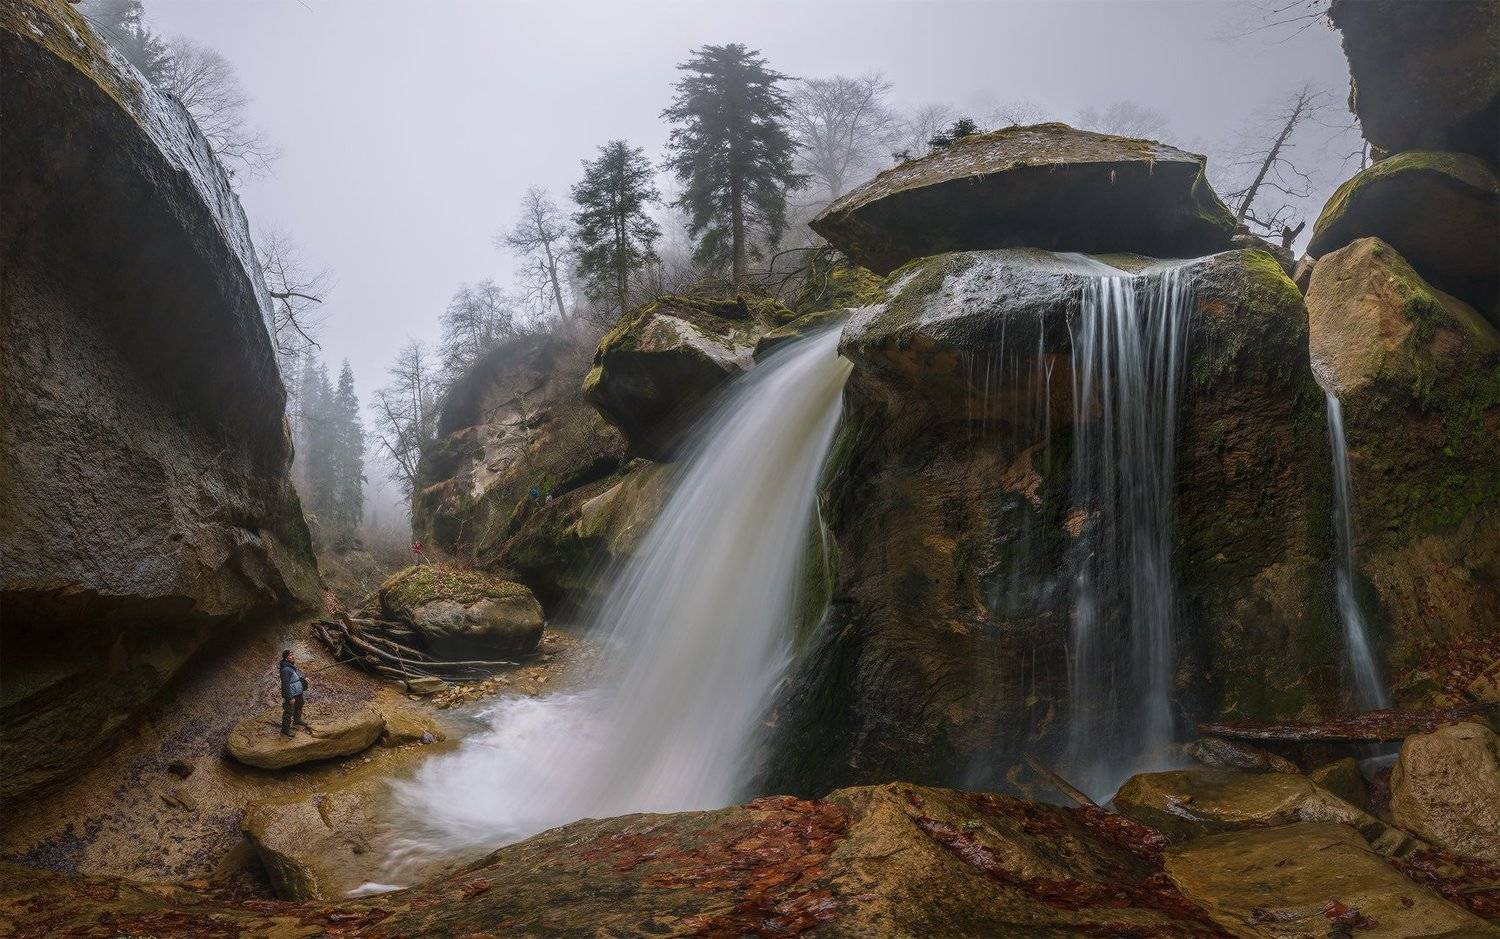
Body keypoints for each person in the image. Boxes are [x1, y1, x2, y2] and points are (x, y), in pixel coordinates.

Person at [278, 650, 309, 737]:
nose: (293, 656)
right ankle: (285, 730)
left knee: (299, 705)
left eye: (293, 655)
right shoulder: (285, 670)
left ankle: (297, 720)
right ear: (286, 658)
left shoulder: (290, 666)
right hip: (291, 694)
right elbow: (285, 684)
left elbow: (295, 678)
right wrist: (289, 697)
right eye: (290, 655)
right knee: (288, 712)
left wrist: (303, 679)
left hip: (298, 692)